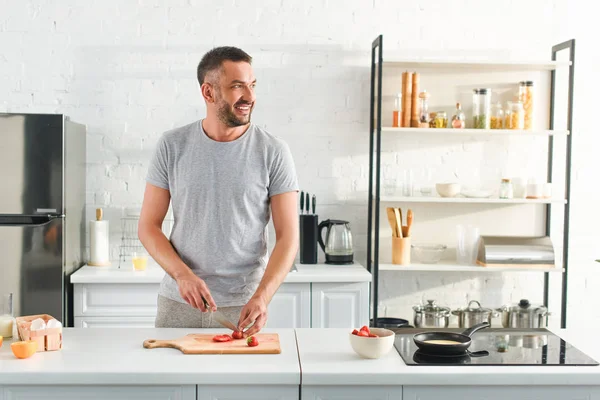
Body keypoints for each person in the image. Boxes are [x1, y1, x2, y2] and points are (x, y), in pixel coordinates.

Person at [138, 46, 299, 337]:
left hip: (244, 307)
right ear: (208, 93)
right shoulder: (172, 145)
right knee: (171, 379)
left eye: (251, 85)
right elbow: (148, 226)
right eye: (237, 86)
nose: (249, 97)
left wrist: (262, 296)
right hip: (179, 302)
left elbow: (288, 236)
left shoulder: (273, 151)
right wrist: (182, 275)